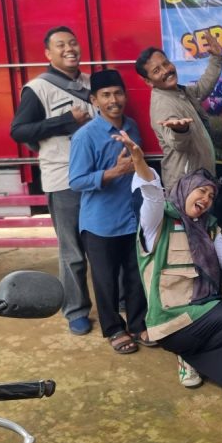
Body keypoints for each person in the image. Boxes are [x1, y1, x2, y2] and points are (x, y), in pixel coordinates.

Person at [112, 130, 222, 397]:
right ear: (185, 189)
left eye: (211, 195)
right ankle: (188, 356)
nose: (206, 199)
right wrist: (140, 162)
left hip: (202, 312)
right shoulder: (157, 222)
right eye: (201, 191)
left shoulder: (210, 228)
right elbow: (151, 196)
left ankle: (195, 354)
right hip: (172, 321)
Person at [10, 26, 95, 336]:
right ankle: (75, 310)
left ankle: (118, 301)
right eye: (60, 45)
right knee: (72, 252)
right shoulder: (38, 88)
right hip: (64, 179)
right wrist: (65, 121)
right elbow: (19, 131)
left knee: (103, 245)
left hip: (99, 177)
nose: (69, 48)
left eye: (73, 42)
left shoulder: (91, 82)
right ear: (48, 53)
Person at [68, 69, 149, 355]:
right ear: (94, 100)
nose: (113, 100)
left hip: (132, 218)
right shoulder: (85, 137)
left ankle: (139, 324)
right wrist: (113, 173)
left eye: (118, 93)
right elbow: (76, 181)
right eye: (106, 95)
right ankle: (114, 329)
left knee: (136, 275)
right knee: (104, 280)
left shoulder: (132, 127)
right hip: (100, 223)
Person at [134, 30, 222, 192]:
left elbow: (200, 90)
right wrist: (180, 130)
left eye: (166, 64)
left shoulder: (178, 92)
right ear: (148, 81)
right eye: (156, 71)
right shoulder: (164, 104)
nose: (165, 70)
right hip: (186, 188)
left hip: (199, 182)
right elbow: (178, 144)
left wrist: (216, 59)